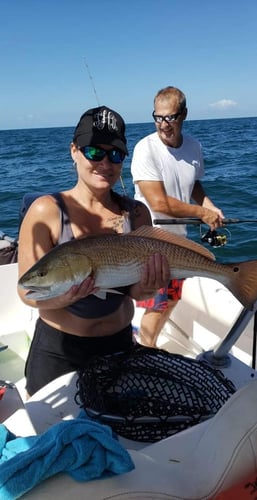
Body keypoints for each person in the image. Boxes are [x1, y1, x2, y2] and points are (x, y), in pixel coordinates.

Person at [18, 105, 171, 397]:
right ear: (74, 150)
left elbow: (136, 294)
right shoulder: (46, 211)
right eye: (93, 152)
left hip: (120, 344)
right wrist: (63, 297)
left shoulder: (136, 213)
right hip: (59, 351)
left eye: (115, 154)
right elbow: (27, 291)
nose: (105, 162)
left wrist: (148, 288)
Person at [131, 86, 224, 348]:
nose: (163, 124)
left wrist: (209, 205)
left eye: (170, 117)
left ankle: (146, 344)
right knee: (158, 302)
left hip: (178, 240)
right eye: (158, 117)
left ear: (183, 115)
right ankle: (145, 354)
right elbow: (158, 202)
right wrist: (202, 213)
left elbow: (193, 183)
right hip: (150, 239)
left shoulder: (193, 146)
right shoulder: (145, 149)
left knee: (171, 297)